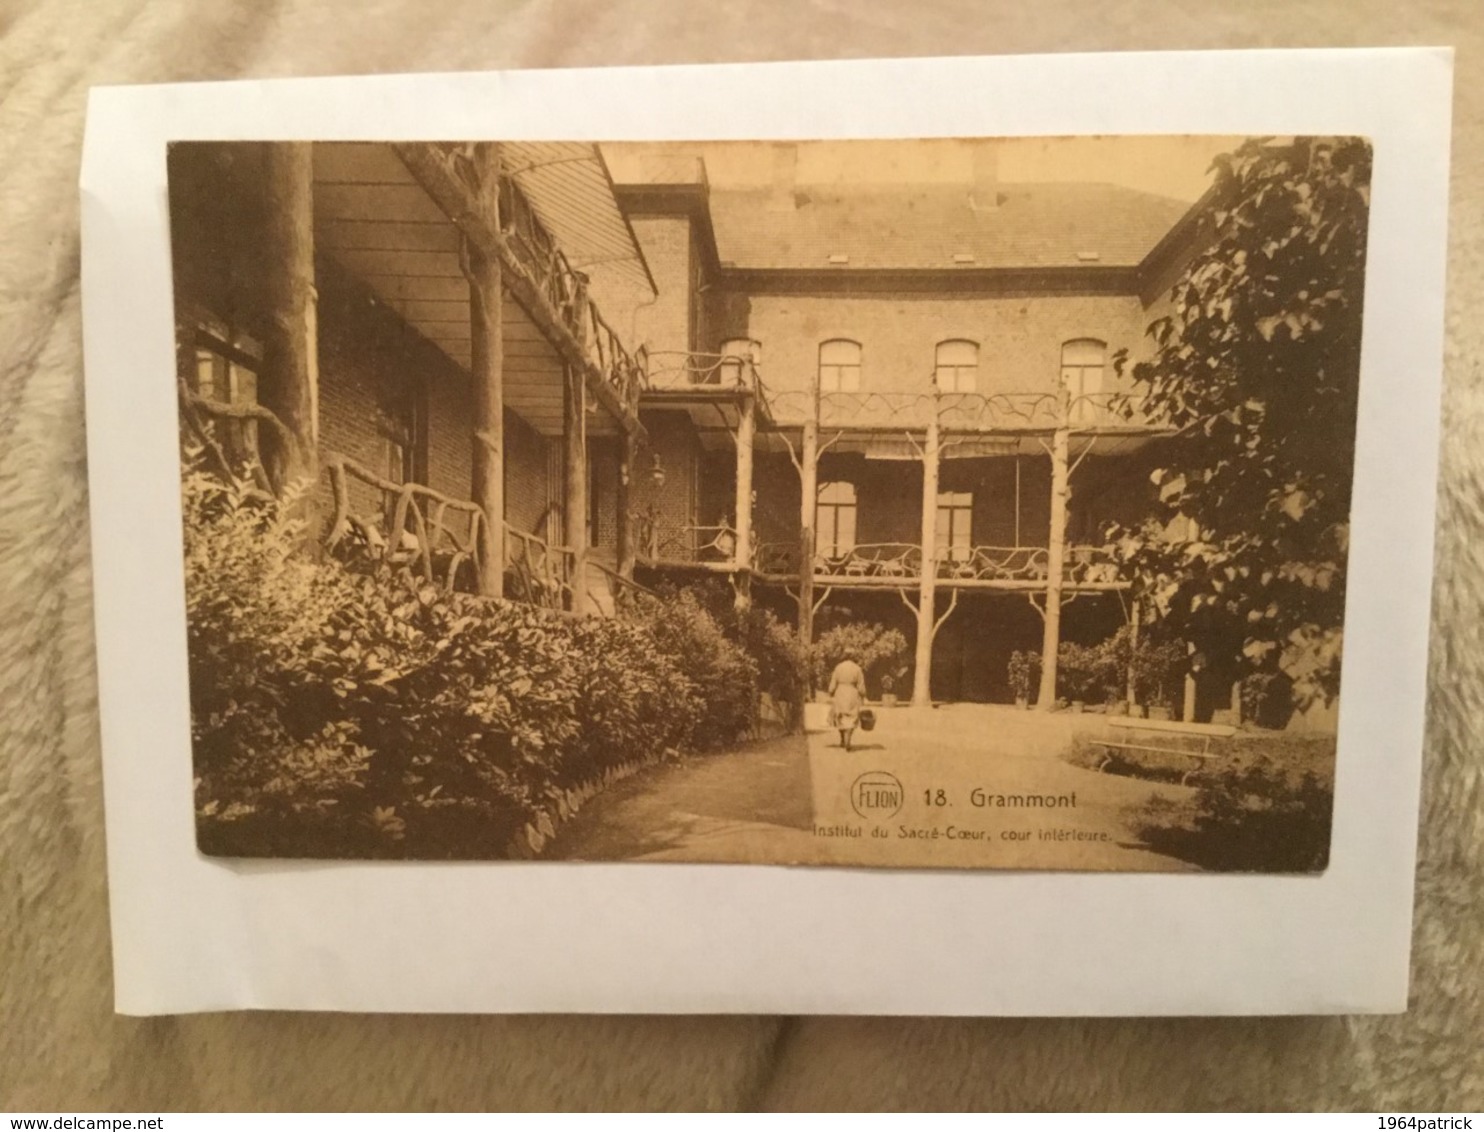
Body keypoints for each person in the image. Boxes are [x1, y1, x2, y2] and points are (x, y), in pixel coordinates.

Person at [828, 656, 866, 752]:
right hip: (852, 693)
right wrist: (863, 694)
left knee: (840, 716)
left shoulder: (839, 667)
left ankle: (842, 737)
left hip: (840, 692)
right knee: (852, 716)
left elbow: (833, 682)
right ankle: (848, 737)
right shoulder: (857, 668)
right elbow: (861, 686)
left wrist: (831, 691)